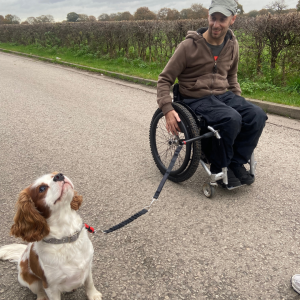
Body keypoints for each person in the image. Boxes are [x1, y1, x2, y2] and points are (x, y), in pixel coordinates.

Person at [156, 0, 267, 188]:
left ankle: (235, 162)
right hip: (194, 98)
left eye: (222, 19)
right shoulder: (188, 46)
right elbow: (164, 79)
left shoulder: (232, 44)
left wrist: (239, 100)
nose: (216, 24)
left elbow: (232, 77)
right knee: (230, 118)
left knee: (256, 115)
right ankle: (219, 165)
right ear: (208, 16)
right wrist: (167, 109)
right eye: (212, 18)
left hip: (221, 96)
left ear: (233, 19)